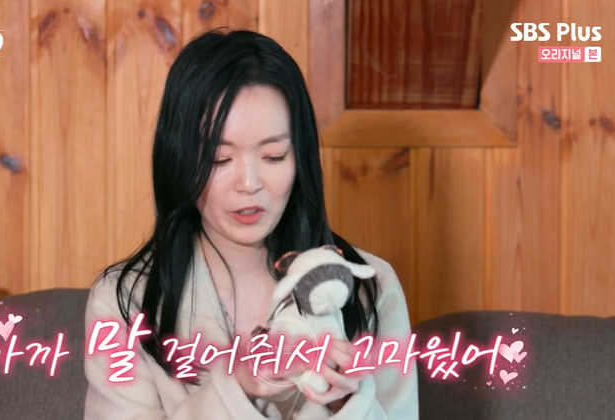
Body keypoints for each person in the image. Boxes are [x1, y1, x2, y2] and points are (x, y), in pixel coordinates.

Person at [83, 28, 418, 420]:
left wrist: (347, 404)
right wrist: (234, 389)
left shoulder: (369, 287)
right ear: (179, 161)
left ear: (300, 158)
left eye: (274, 156)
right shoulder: (124, 304)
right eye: (219, 160)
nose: (249, 184)